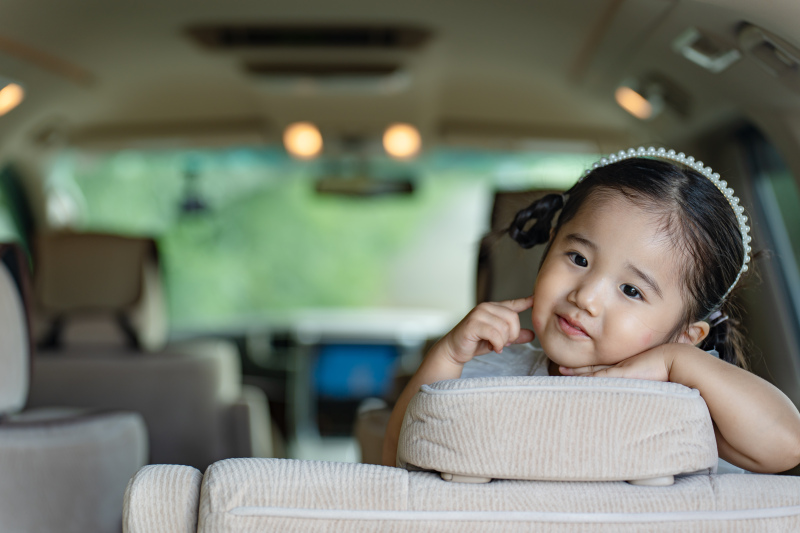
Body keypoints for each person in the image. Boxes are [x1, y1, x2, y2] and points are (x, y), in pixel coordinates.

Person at [382, 147, 800, 473]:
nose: (587, 297)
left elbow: (787, 443)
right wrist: (448, 355)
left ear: (685, 335)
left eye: (631, 290)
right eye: (579, 259)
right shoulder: (489, 371)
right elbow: (396, 461)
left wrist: (678, 363)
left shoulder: (690, 398)